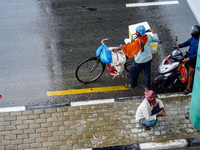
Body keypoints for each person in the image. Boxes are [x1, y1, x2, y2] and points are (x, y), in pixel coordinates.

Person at [112, 25, 159, 91]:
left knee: (132, 71)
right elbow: (156, 39)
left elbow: (128, 46)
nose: (136, 33)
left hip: (140, 60)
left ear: (140, 33)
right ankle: (147, 87)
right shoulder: (148, 36)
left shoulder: (137, 41)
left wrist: (118, 48)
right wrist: (154, 32)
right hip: (148, 58)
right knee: (147, 73)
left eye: (137, 32)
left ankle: (133, 85)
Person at [174, 25, 200, 95]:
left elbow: (197, 55)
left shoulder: (199, 42)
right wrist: (179, 46)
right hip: (189, 56)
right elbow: (187, 42)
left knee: (190, 72)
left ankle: (188, 88)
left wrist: (188, 59)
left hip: (194, 60)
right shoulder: (194, 38)